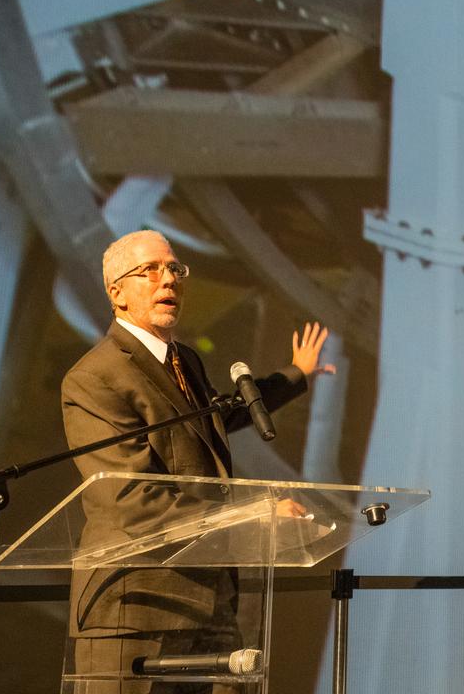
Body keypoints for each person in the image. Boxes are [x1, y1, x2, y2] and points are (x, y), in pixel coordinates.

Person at [61, 230, 332, 692]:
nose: (168, 280)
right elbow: (131, 499)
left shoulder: (183, 360)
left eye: (174, 269)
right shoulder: (95, 377)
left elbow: (219, 415)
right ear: (117, 293)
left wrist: (295, 376)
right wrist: (254, 519)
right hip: (137, 611)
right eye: (149, 271)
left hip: (211, 606)